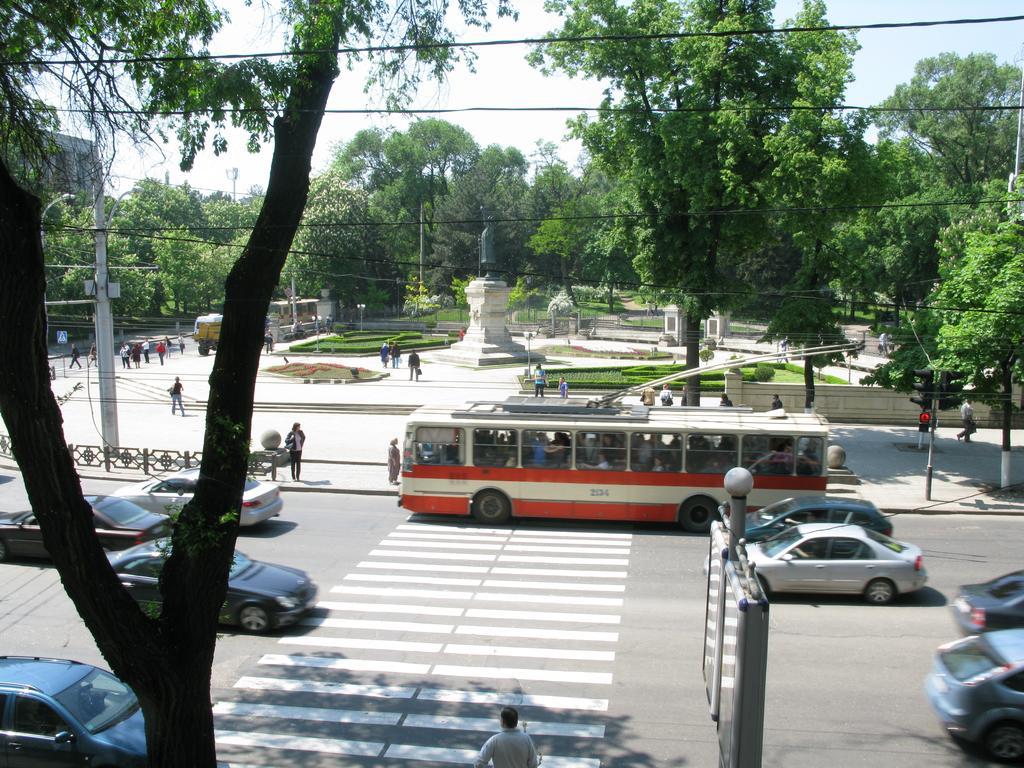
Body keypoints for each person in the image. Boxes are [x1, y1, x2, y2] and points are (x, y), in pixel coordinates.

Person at [474, 707, 539, 768]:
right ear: (516, 721)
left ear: (502, 722)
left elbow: (479, 764)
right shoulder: (526, 739)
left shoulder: (495, 740)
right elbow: (533, 764)